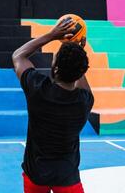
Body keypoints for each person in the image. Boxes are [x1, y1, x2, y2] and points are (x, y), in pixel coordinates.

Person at [12, 18, 94, 193]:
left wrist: (51, 35)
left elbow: (18, 55)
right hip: (67, 177)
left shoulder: (37, 89)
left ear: (55, 69)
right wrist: (77, 50)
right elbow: (80, 75)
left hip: (35, 175)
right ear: (81, 71)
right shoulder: (84, 102)